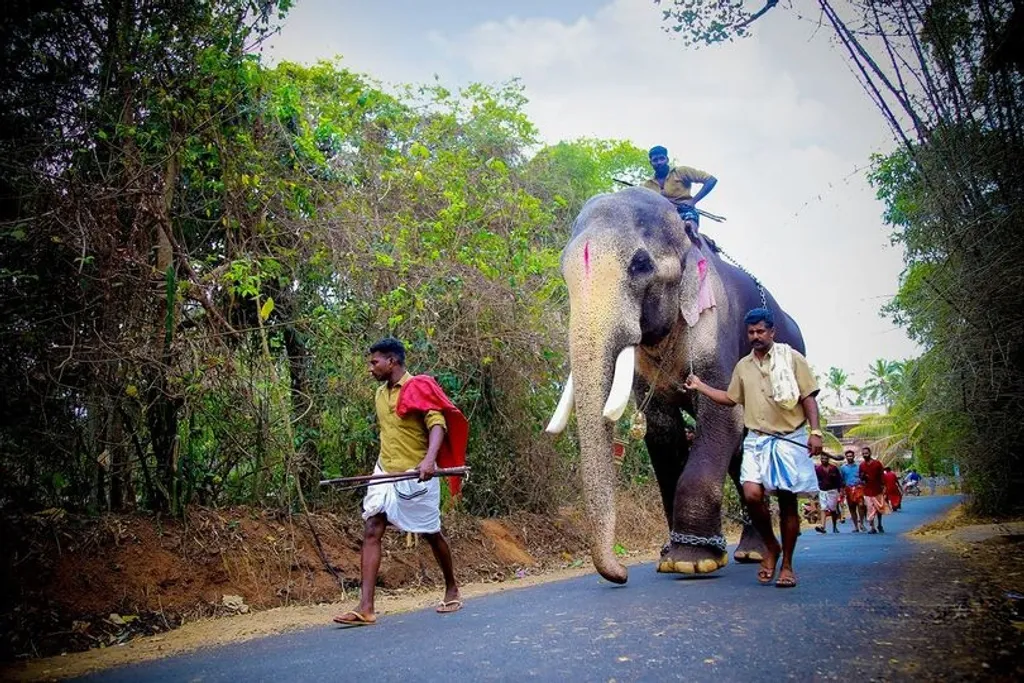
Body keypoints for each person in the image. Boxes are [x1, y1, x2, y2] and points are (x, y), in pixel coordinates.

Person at [333, 338, 469, 626]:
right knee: (372, 527)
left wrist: (429, 460)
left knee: (431, 533)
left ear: (391, 361)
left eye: (374, 362)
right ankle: (366, 607)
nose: (370, 368)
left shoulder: (418, 387)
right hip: (385, 470)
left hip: (417, 471)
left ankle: (452, 586)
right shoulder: (380, 396)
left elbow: (437, 424)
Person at [685, 307, 822, 588]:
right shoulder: (743, 366)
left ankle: (786, 566)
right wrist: (700, 386)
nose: (756, 336)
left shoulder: (792, 359)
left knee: (787, 504)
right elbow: (730, 398)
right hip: (757, 440)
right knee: (751, 493)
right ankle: (771, 545)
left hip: (788, 438)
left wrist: (816, 431)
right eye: (751, 332)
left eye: (761, 331)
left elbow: (808, 397)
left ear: (772, 332)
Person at [643, 145, 717, 226]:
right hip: (660, 217)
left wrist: (693, 201)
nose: (659, 162)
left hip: (685, 211)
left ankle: (693, 234)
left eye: (662, 158)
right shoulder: (647, 185)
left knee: (689, 226)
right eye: (655, 160)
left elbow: (711, 180)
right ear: (651, 163)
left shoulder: (681, 171)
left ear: (667, 159)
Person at [858, 446, 887, 534]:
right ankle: (872, 527)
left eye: (866, 453)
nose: (864, 455)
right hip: (867, 490)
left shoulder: (877, 463)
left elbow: (882, 476)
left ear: (870, 453)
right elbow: (860, 477)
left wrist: (883, 486)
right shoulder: (862, 465)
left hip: (877, 489)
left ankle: (879, 524)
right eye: (863, 454)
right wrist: (863, 477)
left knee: (879, 508)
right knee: (870, 508)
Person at [814, 454, 844, 533]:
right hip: (822, 490)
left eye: (825, 458)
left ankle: (834, 526)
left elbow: (839, 480)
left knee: (832, 509)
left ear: (828, 459)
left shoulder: (833, 468)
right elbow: (815, 480)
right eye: (822, 458)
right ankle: (823, 527)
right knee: (823, 508)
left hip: (833, 491)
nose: (824, 460)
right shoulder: (818, 469)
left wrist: (841, 490)